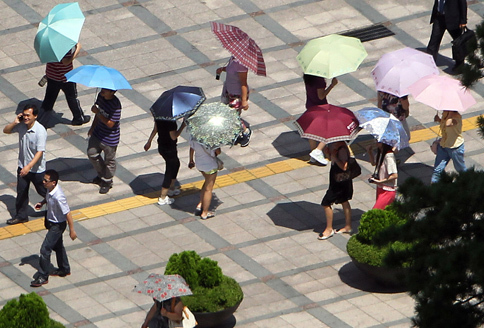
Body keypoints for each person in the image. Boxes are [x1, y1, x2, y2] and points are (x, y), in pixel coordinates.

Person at [30, 169, 77, 287]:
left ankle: (43, 276)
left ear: (53, 182)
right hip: (51, 222)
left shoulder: (59, 196)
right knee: (58, 247)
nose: (43, 182)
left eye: (46, 180)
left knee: (45, 250)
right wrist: (42, 203)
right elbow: (48, 197)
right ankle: (64, 269)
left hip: (57, 225)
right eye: (43, 179)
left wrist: (72, 230)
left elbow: (68, 213)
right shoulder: (50, 190)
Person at [3, 104, 47, 225]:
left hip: (37, 169)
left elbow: (40, 152)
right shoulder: (21, 126)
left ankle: (58, 207)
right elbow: (6, 131)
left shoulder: (40, 131)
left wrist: (29, 166)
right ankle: (21, 216)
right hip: (22, 166)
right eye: (24, 115)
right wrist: (15, 122)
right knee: (21, 192)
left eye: (28, 115)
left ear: (35, 116)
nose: (26, 117)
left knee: (44, 191)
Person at [40, 43, 90, 125]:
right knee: (72, 98)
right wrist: (77, 50)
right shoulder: (63, 46)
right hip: (66, 77)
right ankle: (79, 118)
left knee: (49, 100)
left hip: (52, 75)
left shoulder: (49, 44)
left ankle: (41, 120)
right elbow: (66, 62)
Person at [87, 88, 122, 194]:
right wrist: (92, 127)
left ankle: (107, 181)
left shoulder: (116, 105)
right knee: (92, 153)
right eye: (102, 88)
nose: (102, 91)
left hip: (110, 138)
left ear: (112, 92)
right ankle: (102, 174)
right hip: (98, 133)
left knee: (109, 160)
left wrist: (98, 112)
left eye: (106, 90)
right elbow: (97, 116)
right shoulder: (100, 97)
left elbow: (111, 124)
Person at [144, 119, 186, 206]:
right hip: (170, 148)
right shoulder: (171, 122)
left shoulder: (159, 118)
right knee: (169, 170)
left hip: (162, 147)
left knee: (176, 164)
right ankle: (163, 197)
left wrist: (149, 141)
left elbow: (155, 129)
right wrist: (183, 125)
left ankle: (171, 188)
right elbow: (174, 136)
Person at [318, 141, 353, 240]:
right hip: (337, 178)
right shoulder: (334, 145)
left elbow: (344, 167)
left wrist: (334, 156)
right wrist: (328, 154)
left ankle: (329, 229)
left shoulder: (342, 149)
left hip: (340, 180)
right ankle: (348, 226)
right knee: (344, 200)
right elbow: (332, 160)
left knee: (326, 203)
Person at [216, 56, 252, 147]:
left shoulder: (241, 64)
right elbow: (231, 70)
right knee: (227, 113)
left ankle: (246, 132)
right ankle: (235, 131)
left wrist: (244, 101)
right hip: (229, 91)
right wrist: (222, 69)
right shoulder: (233, 59)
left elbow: (243, 83)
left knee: (233, 116)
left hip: (237, 95)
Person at [303, 74, 338, 165]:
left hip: (310, 106)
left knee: (312, 132)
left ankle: (313, 155)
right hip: (320, 108)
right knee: (328, 130)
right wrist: (332, 85)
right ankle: (318, 150)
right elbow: (321, 96)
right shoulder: (319, 80)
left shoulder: (308, 77)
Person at [426, 0, 467, 69]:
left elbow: (463, 4)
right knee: (433, 43)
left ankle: (460, 64)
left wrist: (463, 20)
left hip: (453, 20)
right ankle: (429, 64)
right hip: (439, 18)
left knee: (458, 43)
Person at [188, 137, 221, 219]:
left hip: (199, 164)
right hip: (210, 166)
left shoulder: (194, 136)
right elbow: (218, 151)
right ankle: (205, 213)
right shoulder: (211, 138)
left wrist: (191, 160)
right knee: (208, 189)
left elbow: (192, 148)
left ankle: (200, 204)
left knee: (206, 183)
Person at [431, 110, 466, 183]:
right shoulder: (445, 114)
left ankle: (470, 182)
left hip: (455, 148)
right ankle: (434, 189)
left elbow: (448, 124)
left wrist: (450, 113)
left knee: (461, 169)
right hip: (444, 146)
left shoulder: (457, 117)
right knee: (437, 170)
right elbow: (444, 125)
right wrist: (439, 120)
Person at [366, 142, 398, 209]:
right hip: (380, 188)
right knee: (383, 212)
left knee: (375, 212)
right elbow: (373, 163)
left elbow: (394, 175)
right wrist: (370, 153)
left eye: (379, 140)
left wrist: (380, 181)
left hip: (388, 190)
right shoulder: (380, 153)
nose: (376, 141)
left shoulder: (389, 156)